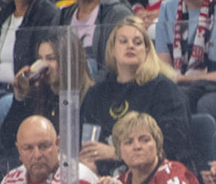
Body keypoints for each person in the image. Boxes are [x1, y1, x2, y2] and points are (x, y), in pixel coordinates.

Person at [81, 15, 194, 165]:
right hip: (101, 171)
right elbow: (83, 139)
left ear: (147, 51)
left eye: (138, 42)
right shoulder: (97, 93)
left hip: (152, 172)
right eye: (123, 41)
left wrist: (116, 153)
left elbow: (173, 146)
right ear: (112, 50)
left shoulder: (164, 89)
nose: (130, 46)